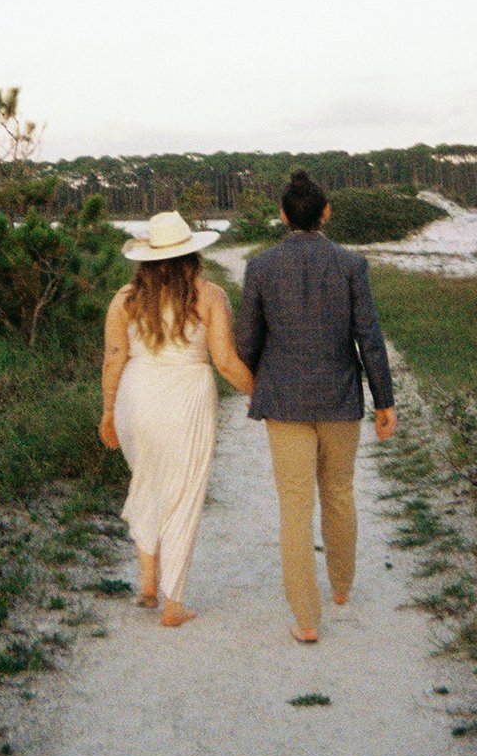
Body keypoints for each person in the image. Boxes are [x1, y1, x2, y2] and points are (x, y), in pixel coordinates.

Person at [235, 170, 397, 643]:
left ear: (283, 215)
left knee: (294, 505)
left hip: (284, 401)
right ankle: (341, 587)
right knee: (340, 492)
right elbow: (369, 336)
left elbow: (246, 339)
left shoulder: (261, 267)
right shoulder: (351, 264)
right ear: (326, 213)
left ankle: (306, 618)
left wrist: (255, 382)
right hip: (340, 398)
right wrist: (384, 400)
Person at [99, 210, 253, 627]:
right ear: (192, 256)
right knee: (184, 494)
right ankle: (173, 603)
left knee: (147, 483)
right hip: (186, 399)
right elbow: (224, 361)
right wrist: (261, 393)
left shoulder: (125, 299)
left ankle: (148, 586)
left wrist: (109, 412)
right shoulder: (209, 296)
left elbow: (115, 358)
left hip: (136, 398)